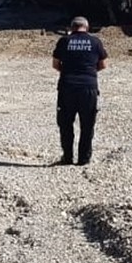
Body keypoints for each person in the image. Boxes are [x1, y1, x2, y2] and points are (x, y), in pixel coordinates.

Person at [52, 16, 107, 166]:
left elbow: (55, 64)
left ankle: (67, 157)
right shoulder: (95, 42)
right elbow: (103, 65)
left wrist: (68, 72)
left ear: (71, 28)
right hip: (88, 87)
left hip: (67, 86)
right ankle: (84, 159)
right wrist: (88, 72)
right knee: (87, 124)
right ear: (87, 28)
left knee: (65, 123)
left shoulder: (64, 41)